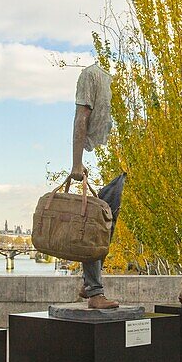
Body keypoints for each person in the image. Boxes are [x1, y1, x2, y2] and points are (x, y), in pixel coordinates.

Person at [69, 63, 124, 310]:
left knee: (104, 229)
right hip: (100, 161)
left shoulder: (113, 79)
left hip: (117, 162)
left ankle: (89, 284)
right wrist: (77, 163)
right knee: (96, 227)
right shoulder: (92, 75)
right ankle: (93, 291)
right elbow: (81, 117)